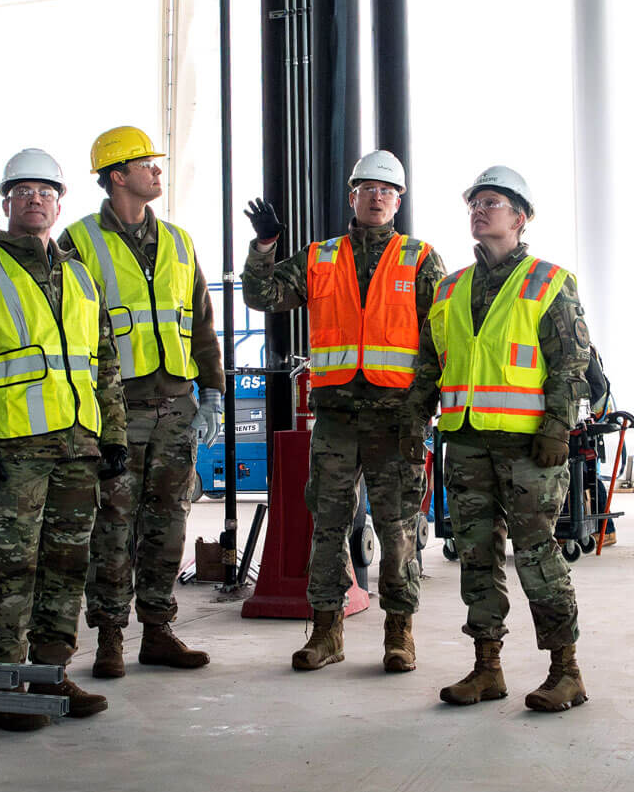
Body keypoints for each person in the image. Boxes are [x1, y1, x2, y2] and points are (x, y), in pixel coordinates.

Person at [0, 149, 127, 732]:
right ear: (6, 202)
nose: (35, 199)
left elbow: (104, 364)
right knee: (9, 569)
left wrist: (112, 435)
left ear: (60, 202)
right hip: (10, 454)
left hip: (77, 449)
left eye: (46, 190)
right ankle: (2, 686)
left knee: (67, 567)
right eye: (23, 191)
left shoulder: (81, 276)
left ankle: (48, 675)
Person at [242, 150, 445, 672]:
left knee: (396, 527)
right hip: (334, 418)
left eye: (387, 190)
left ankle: (400, 634)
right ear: (351, 196)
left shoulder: (420, 258)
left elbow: (438, 337)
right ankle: (326, 632)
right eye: (367, 188)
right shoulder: (320, 257)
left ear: (398, 201)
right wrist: (265, 248)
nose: (377, 197)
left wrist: (422, 408)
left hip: (395, 418)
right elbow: (263, 294)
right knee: (327, 525)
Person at [405, 166, 593, 713]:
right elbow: (428, 365)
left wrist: (558, 427)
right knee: (476, 556)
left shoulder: (548, 280)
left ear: (521, 216)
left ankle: (567, 670)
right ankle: (487, 667)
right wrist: (414, 425)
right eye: (474, 203)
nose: (480, 210)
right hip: (465, 442)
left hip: (529, 445)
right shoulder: (450, 287)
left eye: (492, 202)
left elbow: (570, 363)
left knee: (537, 554)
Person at [59, 125, 225, 677]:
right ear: (116, 176)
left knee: (168, 522)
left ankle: (158, 630)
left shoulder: (178, 241)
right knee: (112, 524)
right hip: (116, 407)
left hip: (176, 405)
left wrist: (214, 392)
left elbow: (201, 322)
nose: (157, 171)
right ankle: (109, 636)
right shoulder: (78, 242)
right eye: (146, 164)